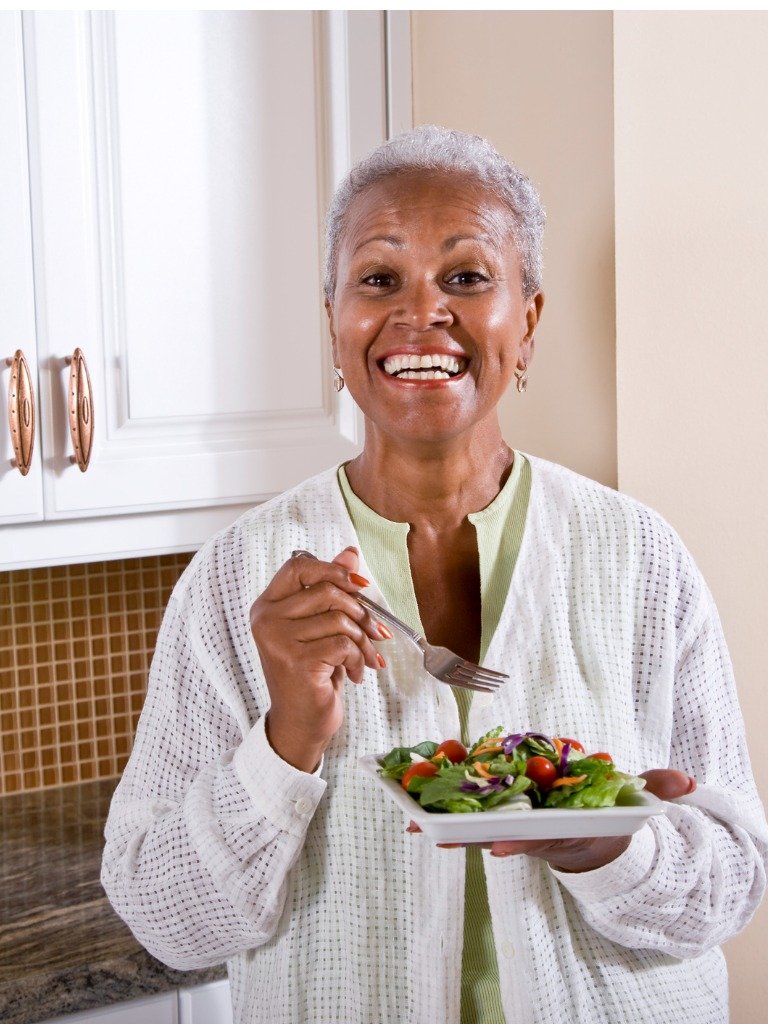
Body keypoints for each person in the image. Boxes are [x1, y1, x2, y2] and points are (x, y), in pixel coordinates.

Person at [102, 125, 768, 1024]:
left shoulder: (639, 557)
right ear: (334, 322)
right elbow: (165, 920)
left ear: (526, 321)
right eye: (379, 280)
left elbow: (732, 884)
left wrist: (610, 849)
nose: (422, 314)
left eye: (466, 277)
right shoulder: (239, 580)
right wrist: (287, 737)